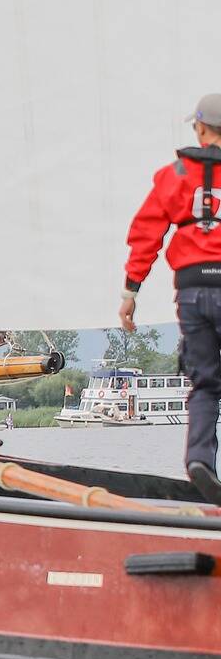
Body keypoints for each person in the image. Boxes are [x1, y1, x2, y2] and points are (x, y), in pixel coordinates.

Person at [119, 94, 221, 505]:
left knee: (205, 384)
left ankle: (200, 461)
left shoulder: (173, 174)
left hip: (193, 290)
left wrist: (131, 291)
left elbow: (146, 233)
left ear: (199, 129)